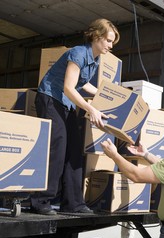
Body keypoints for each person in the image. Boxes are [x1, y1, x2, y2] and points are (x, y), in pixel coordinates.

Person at [30, 19, 120, 215]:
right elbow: (69, 88)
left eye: (112, 42)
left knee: (74, 151)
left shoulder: (95, 60)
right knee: (58, 147)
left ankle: (73, 203)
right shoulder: (78, 53)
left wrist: (105, 99)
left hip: (65, 103)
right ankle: (40, 201)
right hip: (50, 98)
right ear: (96, 36)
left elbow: (83, 84)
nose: (111, 45)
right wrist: (91, 108)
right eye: (108, 40)